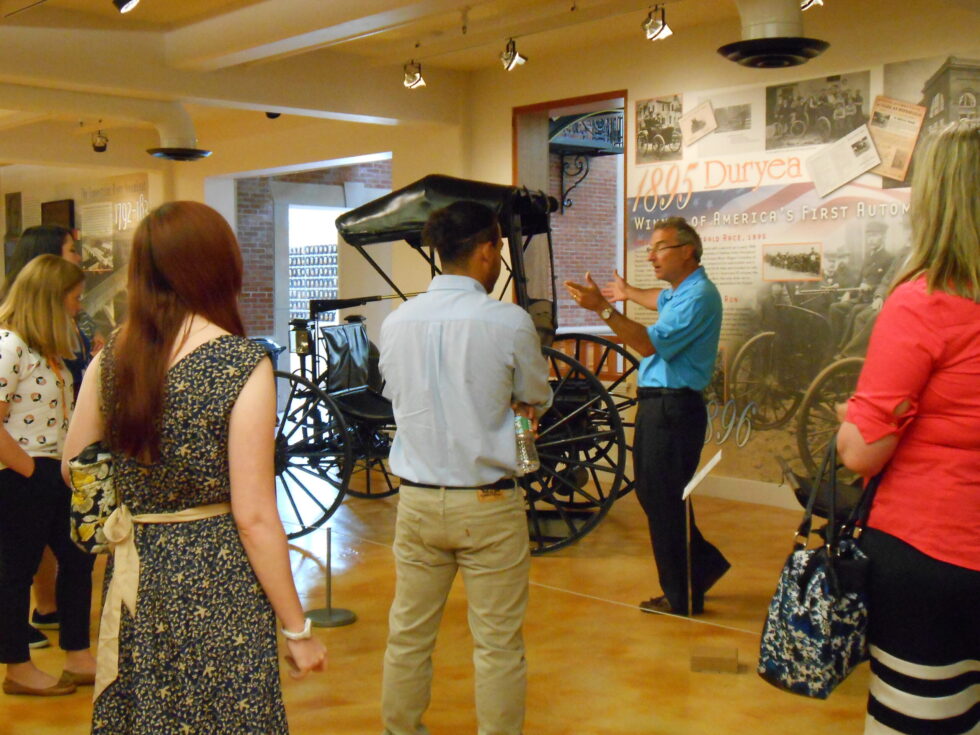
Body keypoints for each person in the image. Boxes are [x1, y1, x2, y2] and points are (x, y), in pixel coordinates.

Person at [62, 201, 325, 732]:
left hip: (137, 568)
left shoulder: (112, 356)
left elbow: (73, 466)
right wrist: (297, 629)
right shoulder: (241, 363)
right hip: (219, 576)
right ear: (220, 267)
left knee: (150, 713)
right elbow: (254, 517)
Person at [378, 200, 552, 735]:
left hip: (416, 501)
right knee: (497, 643)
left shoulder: (397, 321)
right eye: (498, 247)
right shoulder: (508, 321)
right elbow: (534, 397)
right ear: (486, 250)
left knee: (408, 635)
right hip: (488, 503)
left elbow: (394, 397)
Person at [836, 119, 979, 735]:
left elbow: (863, 453)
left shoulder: (925, 301)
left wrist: (850, 421)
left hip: (933, 554)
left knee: (919, 718)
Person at [565, 216, 729, 616]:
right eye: (650, 248)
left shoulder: (698, 297)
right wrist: (627, 292)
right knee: (658, 495)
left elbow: (646, 343)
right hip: (663, 405)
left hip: (673, 407)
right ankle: (701, 566)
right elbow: (657, 299)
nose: (651, 256)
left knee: (663, 498)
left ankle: (681, 594)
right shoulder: (682, 291)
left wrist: (604, 308)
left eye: (659, 248)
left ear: (687, 251)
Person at [0, 254, 96, 696]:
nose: (79, 306)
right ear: (50, 300)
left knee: (77, 559)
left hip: (54, 471)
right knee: (15, 571)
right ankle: (18, 667)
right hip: (21, 473)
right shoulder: (9, 345)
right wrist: (29, 471)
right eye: (74, 298)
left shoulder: (44, 348)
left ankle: (77, 655)